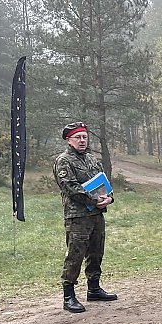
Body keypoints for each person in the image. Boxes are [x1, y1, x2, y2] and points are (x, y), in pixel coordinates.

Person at [53, 121, 117, 313]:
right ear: (68, 140)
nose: (82, 140)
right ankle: (69, 296)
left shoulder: (92, 160)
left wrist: (109, 198)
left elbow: (104, 183)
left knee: (96, 252)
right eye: (78, 137)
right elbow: (70, 187)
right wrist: (94, 199)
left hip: (96, 214)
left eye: (84, 137)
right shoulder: (63, 161)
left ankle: (94, 288)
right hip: (78, 216)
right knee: (75, 255)